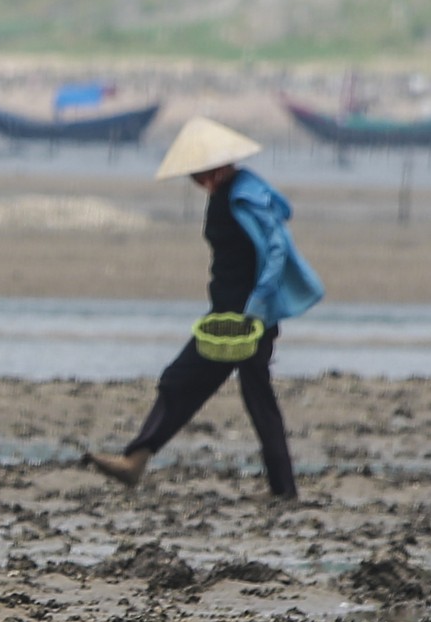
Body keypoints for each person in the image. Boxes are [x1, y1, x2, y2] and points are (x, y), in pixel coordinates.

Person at [83, 116, 323, 499]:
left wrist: (258, 307)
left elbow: (276, 247)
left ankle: (136, 460)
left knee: (186, 383)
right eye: (195, 176)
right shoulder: (227, 192)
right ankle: (282, 489)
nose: (200, 182)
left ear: (221, 165)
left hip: (244, 321)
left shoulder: (245, 194)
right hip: (225, 315)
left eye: (204, 173)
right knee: (237, 395)